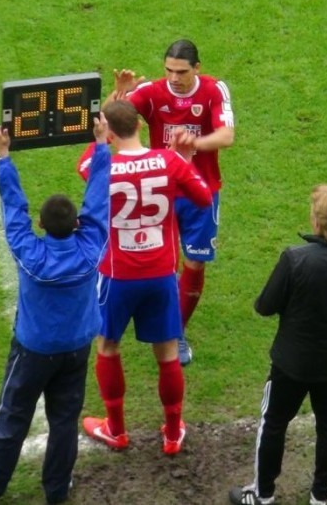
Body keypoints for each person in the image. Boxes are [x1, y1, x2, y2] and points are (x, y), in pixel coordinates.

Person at [0, 117, 111, 504]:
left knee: (12, 415)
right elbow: (99, 201)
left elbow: (14, 210)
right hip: (76, 348)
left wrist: (3, 157)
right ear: (77, 223)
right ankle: (57, 490)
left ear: (41, 224)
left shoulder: (31, 255)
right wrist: (101, 147)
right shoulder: (92, 247)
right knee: (64, 422)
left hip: (33, 351)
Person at [228, 185, 327, 505]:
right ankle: (320, 496)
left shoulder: (295, 259)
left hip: (291, 365)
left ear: (317, 222)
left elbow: (264, 306)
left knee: (273, 423)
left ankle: (263, 494)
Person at [78, 100, 212, 455]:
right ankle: (172, 434)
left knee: (108, 346)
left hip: (117, 275)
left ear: (108, 133)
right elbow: (202, 197)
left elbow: (85, 163)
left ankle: (116, 430)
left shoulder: (103, 166)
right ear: (140, 125)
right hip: (161, 275)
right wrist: (183, 162)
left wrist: (99, 137)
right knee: (167, 352)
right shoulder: (169, 161)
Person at [110, 39, 235, 366]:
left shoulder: (214, 90)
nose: (174, 78)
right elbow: (110, 121)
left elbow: (227, 136)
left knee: (195, 262)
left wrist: (194, 142)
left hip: (201, 190)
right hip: (159, 190)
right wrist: (119, 93)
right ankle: (139, 317)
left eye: (181, 72)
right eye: (169, 70)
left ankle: (176, 332)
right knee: (160, 261)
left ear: (197, 68)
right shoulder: (152, 92)